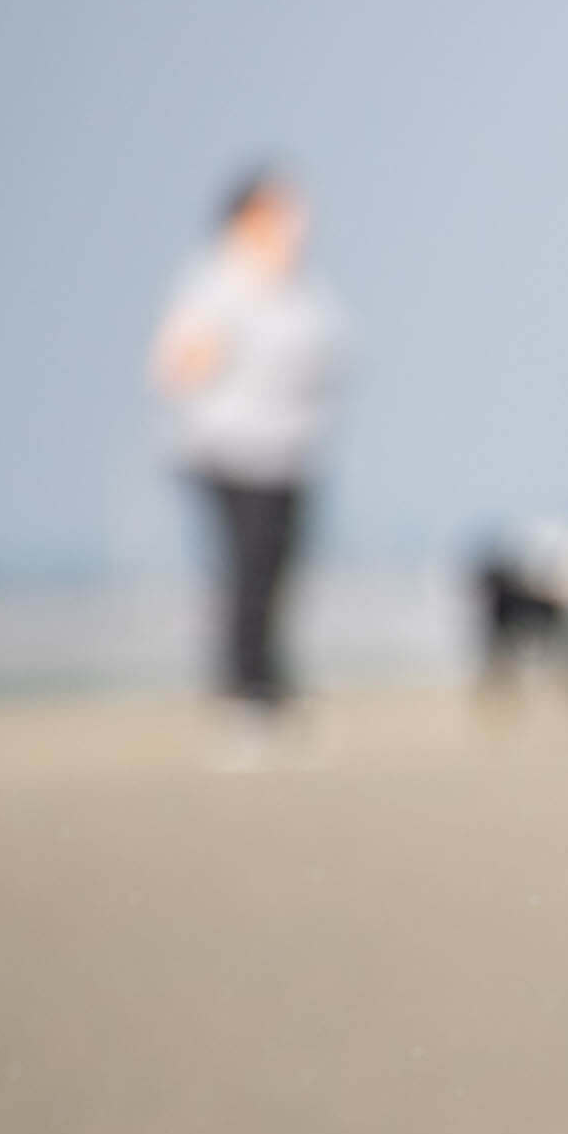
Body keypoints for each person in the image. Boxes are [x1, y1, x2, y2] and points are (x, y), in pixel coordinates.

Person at [148, 165, 342, 737]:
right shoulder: (216, 279)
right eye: (283, 210)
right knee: (247, 573)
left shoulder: (303, 284)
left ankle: (273, 685)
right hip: (231, 450)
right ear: (249, 215)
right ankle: (244, 695)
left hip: (293, 450)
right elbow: (177, 364)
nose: (297, 222)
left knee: (281, 572)